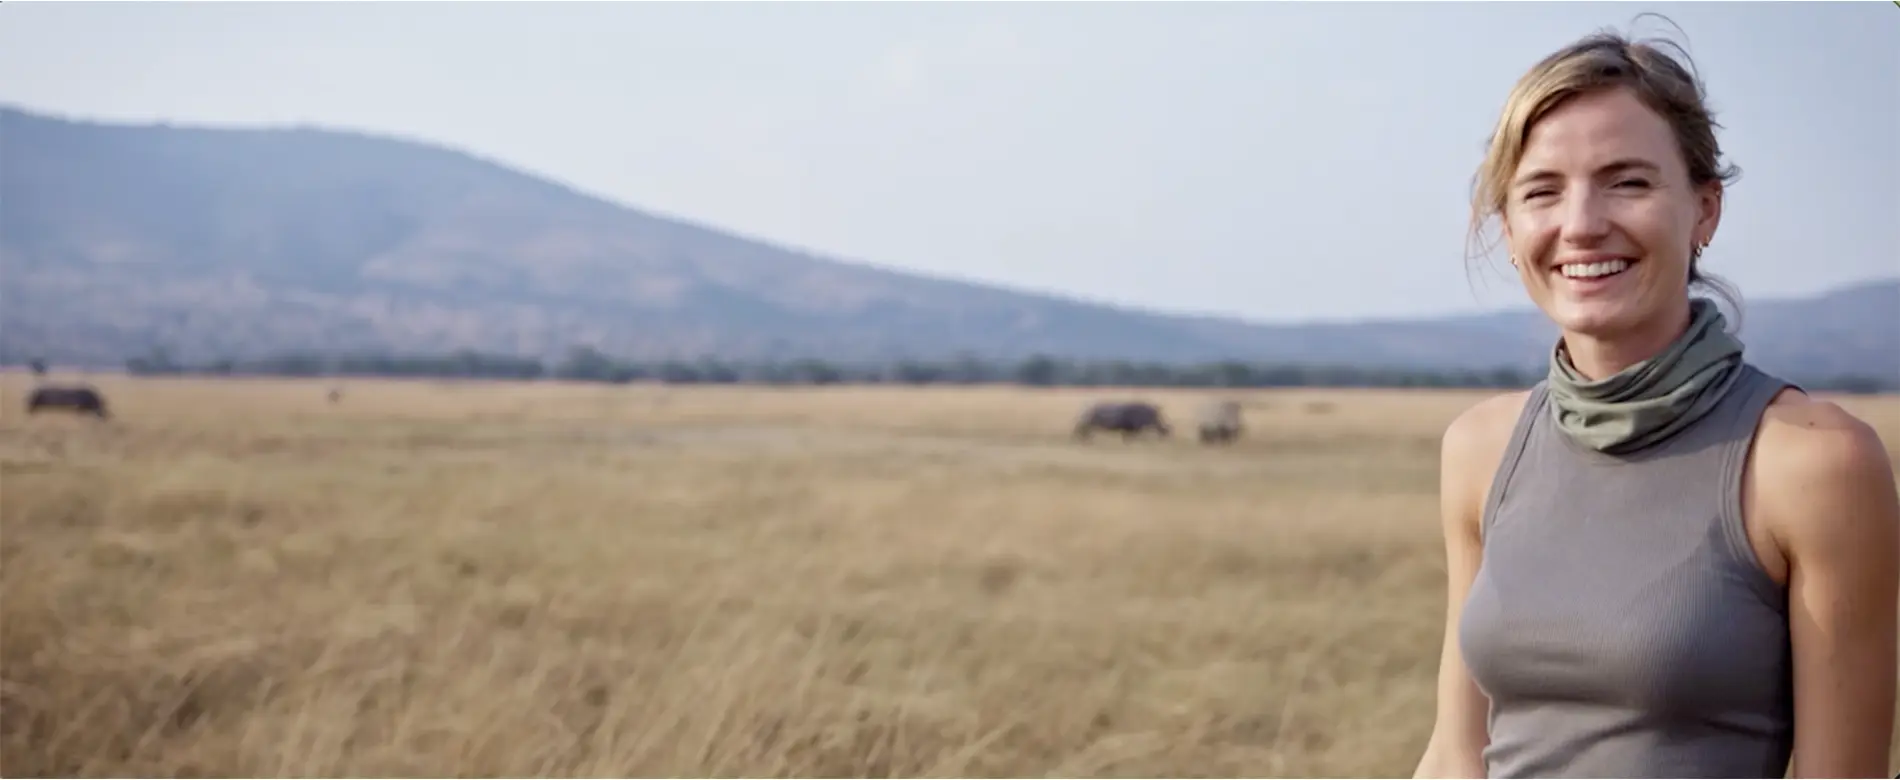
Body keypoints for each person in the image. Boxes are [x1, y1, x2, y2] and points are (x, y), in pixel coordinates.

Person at [1411, 19, 1900, 780]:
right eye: (1542, 192)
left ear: (1705, 209)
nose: (1581, 225)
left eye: (1628, 182)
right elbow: (1454, 756)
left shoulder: (1813, 463)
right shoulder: (1481, 448)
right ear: (1509, 228)